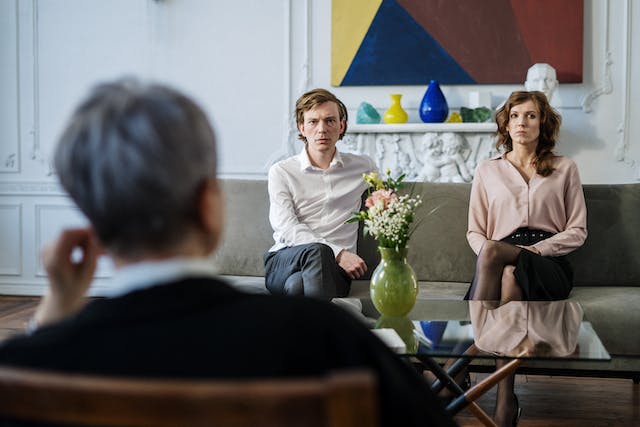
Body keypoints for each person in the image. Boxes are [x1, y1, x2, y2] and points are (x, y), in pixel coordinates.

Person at [0, 79, 456, 427]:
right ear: (210, 207)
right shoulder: (334, 344)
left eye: (329, 120)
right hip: (298, 263)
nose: (321, 128)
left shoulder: (22, 369)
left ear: (89, 224)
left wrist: (52, 322)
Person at [466, 90, 587, 426]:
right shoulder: (487, 171)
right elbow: (475, 232)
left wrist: (529, 253)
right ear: (506, 123)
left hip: (549, 263)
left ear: (542, 123)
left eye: (531, 115)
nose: (522, 122)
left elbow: (577, 231)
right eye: (516, 115)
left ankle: (458, 366)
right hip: (498, 263)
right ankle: (505, 405)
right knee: (501, 268)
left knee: (494, 253)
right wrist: (499, 257)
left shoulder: (565, 168)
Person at [264, 88, 377, 300]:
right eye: (313, 121)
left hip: (335, 273)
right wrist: (339, 253)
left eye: (330, 121)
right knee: (318, 251)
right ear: (302, 127)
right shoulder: (281, 171)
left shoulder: (363, 167)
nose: (321, 129)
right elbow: (286, 226)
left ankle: (305, 331)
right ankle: (330, 328)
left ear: (341, 125)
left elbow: (385, 202)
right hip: (285, 259)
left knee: (297, 286)